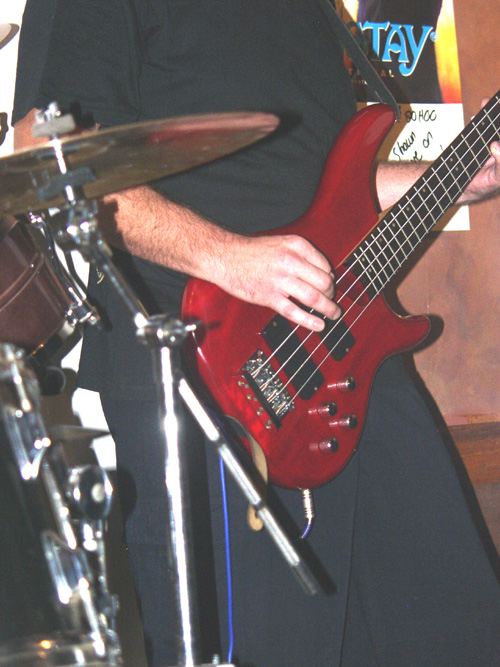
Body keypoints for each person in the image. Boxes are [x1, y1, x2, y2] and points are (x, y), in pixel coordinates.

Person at [12, 1, 500, 666]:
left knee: (457, 626)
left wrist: (452, 181)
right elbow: (52, 159)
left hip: (349, 352)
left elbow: (320, 185)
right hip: (209, 369)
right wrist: (228, 258)